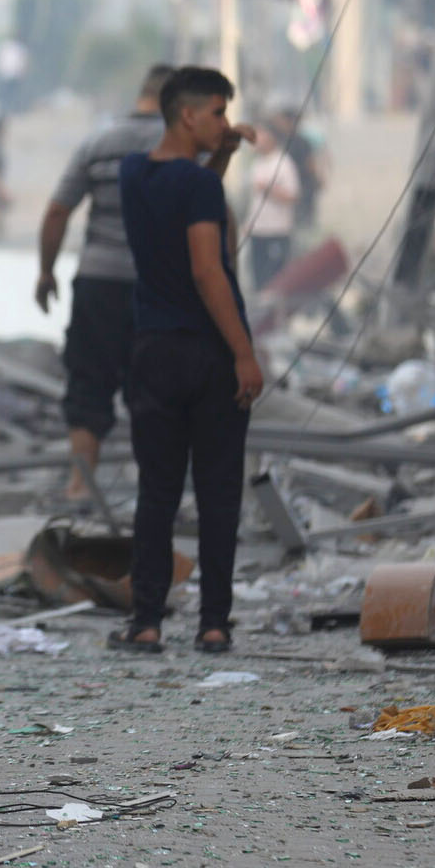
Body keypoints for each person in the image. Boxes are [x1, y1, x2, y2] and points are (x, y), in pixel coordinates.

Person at [113, 66, 263, 656]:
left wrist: (219, 158)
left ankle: (146, 621)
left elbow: (179, 200)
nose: (227, 123)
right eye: (219, 113)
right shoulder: (201, 189)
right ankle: (214, 623)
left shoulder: (133, 173)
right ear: (188, 114)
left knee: (157, 491)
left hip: (151, 349)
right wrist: (244, 353)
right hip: (207, 351)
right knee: (218, 492)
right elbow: (207, 265)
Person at [37, 63, 172, 501]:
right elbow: (214, 219)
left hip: (97, 282)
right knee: (154, 389)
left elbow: (58, 211)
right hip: (157, 286)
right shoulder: (181, 148)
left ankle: (81, 483)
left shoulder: (97, 142)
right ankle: (152, 485)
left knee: (88, 385)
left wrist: (46, 271)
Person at [241, 124, 300, 292]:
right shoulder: (257, 164)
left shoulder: (284, 163)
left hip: (277, 231)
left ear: (271, 137)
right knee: (258, 279)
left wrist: (268, 189)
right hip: (258, 231)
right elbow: (255, 200)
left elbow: (293, 196)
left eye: (260, 136)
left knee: (275, 279)